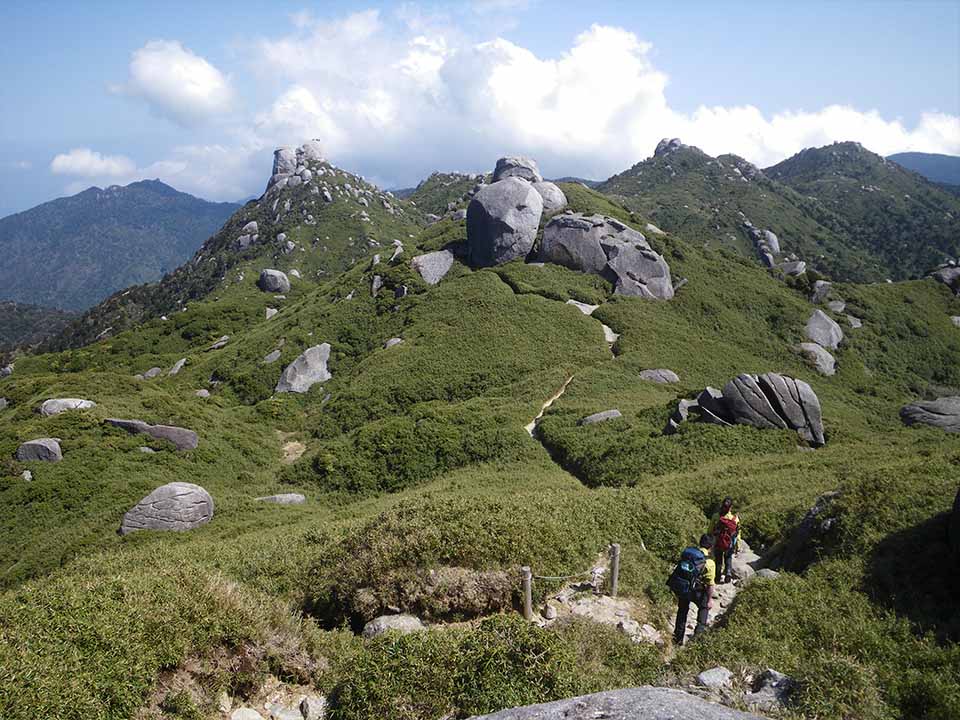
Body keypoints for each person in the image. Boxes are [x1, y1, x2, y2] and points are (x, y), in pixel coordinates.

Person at [667, 533, 716, 646]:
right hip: (698, 590)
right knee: (703, 609)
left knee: (682, 612)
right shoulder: (709, 562)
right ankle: (696, 641)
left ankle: (677, 640)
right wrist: (709, 600)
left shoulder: (689, 554)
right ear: (711, 547)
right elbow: (710, 584)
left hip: (685, 587)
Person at [712, 497, 741, 584]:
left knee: (718, 559)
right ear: (731, 507)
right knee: (728, 558)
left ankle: (717, 577)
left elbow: (710, 530)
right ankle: (728, 574)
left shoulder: (716, 516)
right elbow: (738, 534)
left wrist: (710, 541)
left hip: (718, 541)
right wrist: (738, 546)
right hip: (729, 543)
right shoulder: (735, 519)